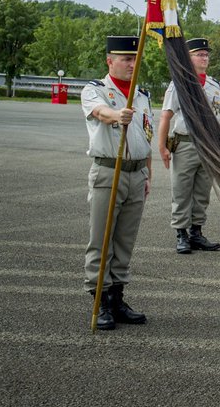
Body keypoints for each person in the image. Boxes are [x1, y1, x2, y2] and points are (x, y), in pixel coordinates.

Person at [82, 35, 153, 330]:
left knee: (125, 241)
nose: (131, 64)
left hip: (136, 173)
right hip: (109, 172)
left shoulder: (141, 94)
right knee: (102, 240)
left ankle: (118, 297)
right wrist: (116, 115)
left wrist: (148, 173)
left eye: (135, 59)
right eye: (125, 59)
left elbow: (146, 135)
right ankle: (100, 301)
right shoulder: (95, 90)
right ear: (110, 61)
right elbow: (100, 112)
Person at [158, 37, 220, 254]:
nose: (205, 58)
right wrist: (162, 146)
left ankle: (196, 231)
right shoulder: (180, 83)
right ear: (188, 57)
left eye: (206, 54)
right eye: (199, 54)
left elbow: (218, 117)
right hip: (185, 143)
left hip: (209, 146)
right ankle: (181, 233)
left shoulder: (214, 85)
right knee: (182, 189)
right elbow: (166, 116)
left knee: (202, 190)